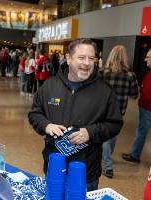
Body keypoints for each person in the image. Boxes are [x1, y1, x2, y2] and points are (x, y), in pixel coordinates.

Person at [28, 38, 123, 191]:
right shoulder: (50, 86)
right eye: (81, 57)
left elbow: (115, 124)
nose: (87, 63)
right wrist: (46, 125)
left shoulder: (105, 91)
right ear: (68, 58)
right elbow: (34, 113)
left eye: (91, 58)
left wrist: (90, 132)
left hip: (85, 175)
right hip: (53, 168)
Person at [100, 45, 139, 178]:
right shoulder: (130, 75)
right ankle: (108, 165)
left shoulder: (102, 73)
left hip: (102, 109)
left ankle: (106, 159)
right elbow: (134, 94)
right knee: (111, 135)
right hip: (119, 111)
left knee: (106, 135)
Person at [122, 49, 151, 163]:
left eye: (148, 57)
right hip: (146, 107)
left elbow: (147, 95)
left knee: (141, 131)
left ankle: (135, 155)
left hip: (147, 108)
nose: (145, 59)